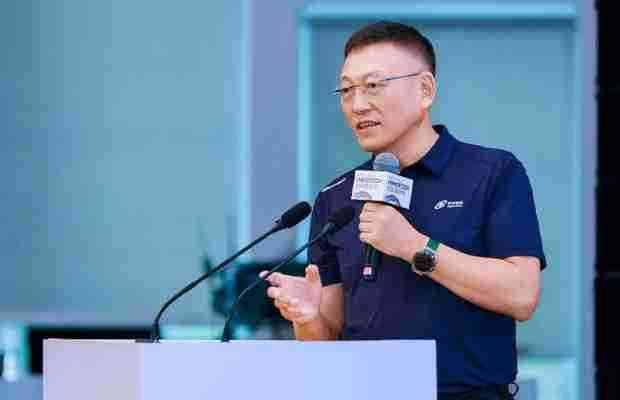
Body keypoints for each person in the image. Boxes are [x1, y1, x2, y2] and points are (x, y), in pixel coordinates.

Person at [262, 21, 546, 400]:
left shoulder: (492, 173)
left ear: (425, 90)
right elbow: (326, 343)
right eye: (346, 90)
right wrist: (309, 317)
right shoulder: (336, 198)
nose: (357, 104)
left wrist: (414, 246)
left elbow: (522, 294)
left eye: (373, 86)